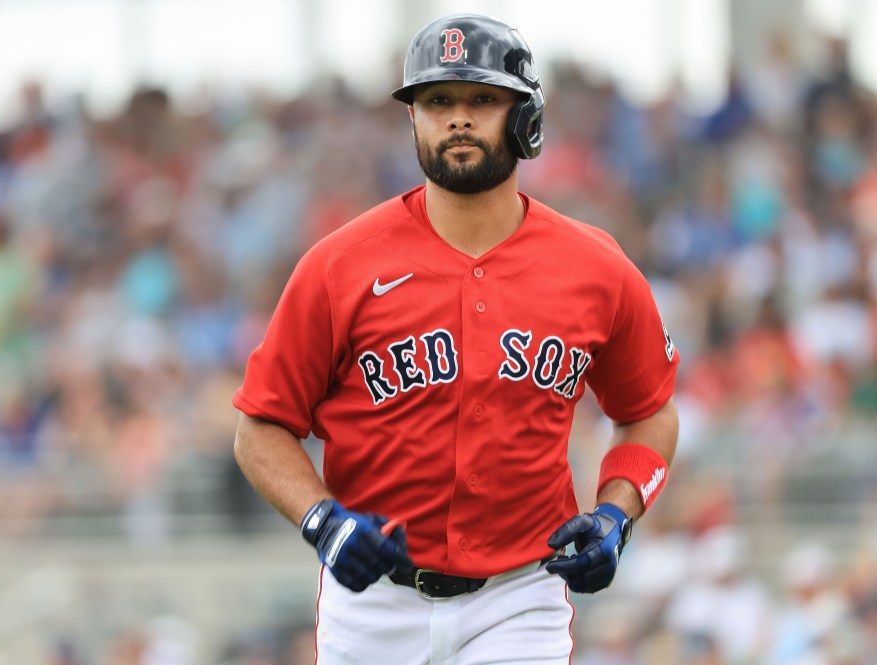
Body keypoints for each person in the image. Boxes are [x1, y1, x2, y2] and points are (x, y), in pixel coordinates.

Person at [232, 13, 679, 664]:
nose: (458, 118)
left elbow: (647, 411)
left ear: (526, 116)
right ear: (412, 118)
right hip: (373, 603)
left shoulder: (597, 267)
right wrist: (320, 518)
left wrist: (617, 511)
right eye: (438, 101)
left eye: (482, 99)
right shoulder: (339, 264)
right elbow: (259, 426)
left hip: (521, 596)